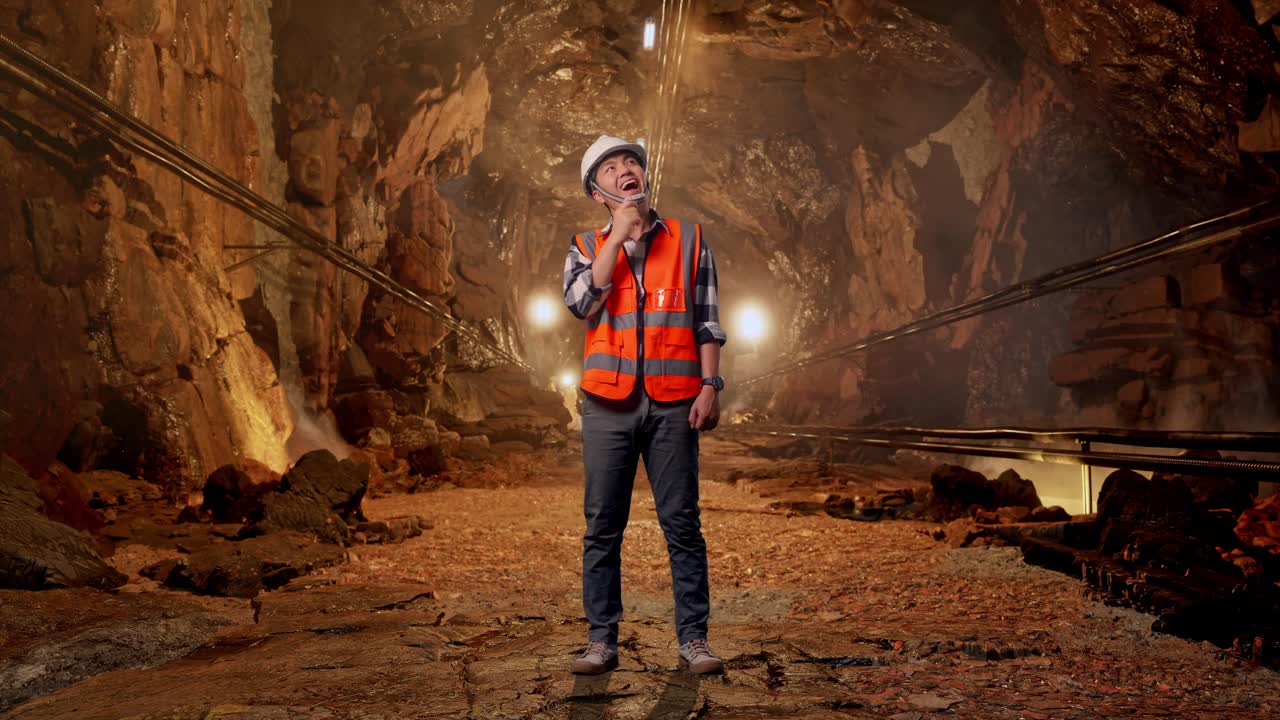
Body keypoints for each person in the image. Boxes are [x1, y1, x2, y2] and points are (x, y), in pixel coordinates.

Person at [561, 135, 728, 675]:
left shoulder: (689, 239)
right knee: (602, 525)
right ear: (597, 192)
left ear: (644, 174)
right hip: (607, 403)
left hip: (675, 401)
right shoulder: (585, 246)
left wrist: (711, 386)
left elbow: (706, 318)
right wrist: (617, 237)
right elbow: (582, 302)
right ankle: (601, 642)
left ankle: (694, 640)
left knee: (681, 522)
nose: (624, 170)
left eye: (630, 161)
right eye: (610, 168)